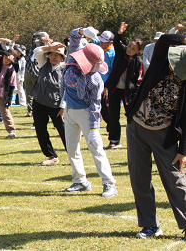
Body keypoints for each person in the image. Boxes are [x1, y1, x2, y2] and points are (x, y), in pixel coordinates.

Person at [125, 27, 186, 240]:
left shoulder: (185, 81)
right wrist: (184, 39)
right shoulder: (160, 65)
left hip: (164, 134)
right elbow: (165, 41)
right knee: (139, 179)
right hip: (136, 127)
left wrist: (183, 149)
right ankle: (150, 225)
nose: (172, 61)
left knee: (175, 180)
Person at [59, 27, 117, 198]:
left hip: (86, 113)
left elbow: (95, 106)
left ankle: (109, 184)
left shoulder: (95, 78)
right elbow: (73, 36)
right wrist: (83, 30)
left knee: (96, 148)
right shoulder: (75, 52)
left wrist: (93, 129)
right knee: (71, 148)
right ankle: (80, 181)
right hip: (70, 110)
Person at [104, 22, 144, 149]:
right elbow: (116, 41)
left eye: (133, 49)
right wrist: (120, 32)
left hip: (129, 93)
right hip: (114, 89)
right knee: (113, 116)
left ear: (139, 51)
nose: (130, 49)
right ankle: (114, 141)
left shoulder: (138, 62)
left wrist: (136, 95)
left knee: (132, 117)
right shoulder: (120, 52)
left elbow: (138, 80)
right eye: (130, 46)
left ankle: (136, 140)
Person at [30, 42, 67, 165]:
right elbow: (37, 51)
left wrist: (63, 107)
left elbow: (67, 89)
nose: (53, 56)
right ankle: (51, 156)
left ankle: (73, 155)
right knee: (40, 130)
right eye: (51, 54)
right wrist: (50, 47)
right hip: (39, 102)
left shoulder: (66, 69)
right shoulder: (44, 63)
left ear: (62, 57)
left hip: (56, 105)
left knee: (63, 130)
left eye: (57, 54)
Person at [87, 29, 115, 142]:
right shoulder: (98, 45)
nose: (102, 43)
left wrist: (107, 86)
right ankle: (93, 128)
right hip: (92, 81)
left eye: (105, 42)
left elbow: (113, 72)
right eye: (101, 41)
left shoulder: (112, 53)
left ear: (110, 42)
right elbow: (91, 39)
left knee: (105, 109)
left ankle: (110, 127)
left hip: (105, 85)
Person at [25, 32, 51, 118]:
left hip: (37, 75)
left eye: (41, 43)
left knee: (38, 94)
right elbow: (33, 37)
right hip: (28, 73)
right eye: (38, 43)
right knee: (28, 93)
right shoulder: (33, 49)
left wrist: (45, 42)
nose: (38, 45)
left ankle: (41, 111)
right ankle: (30, 111)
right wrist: (43, 34)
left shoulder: (45, 53)